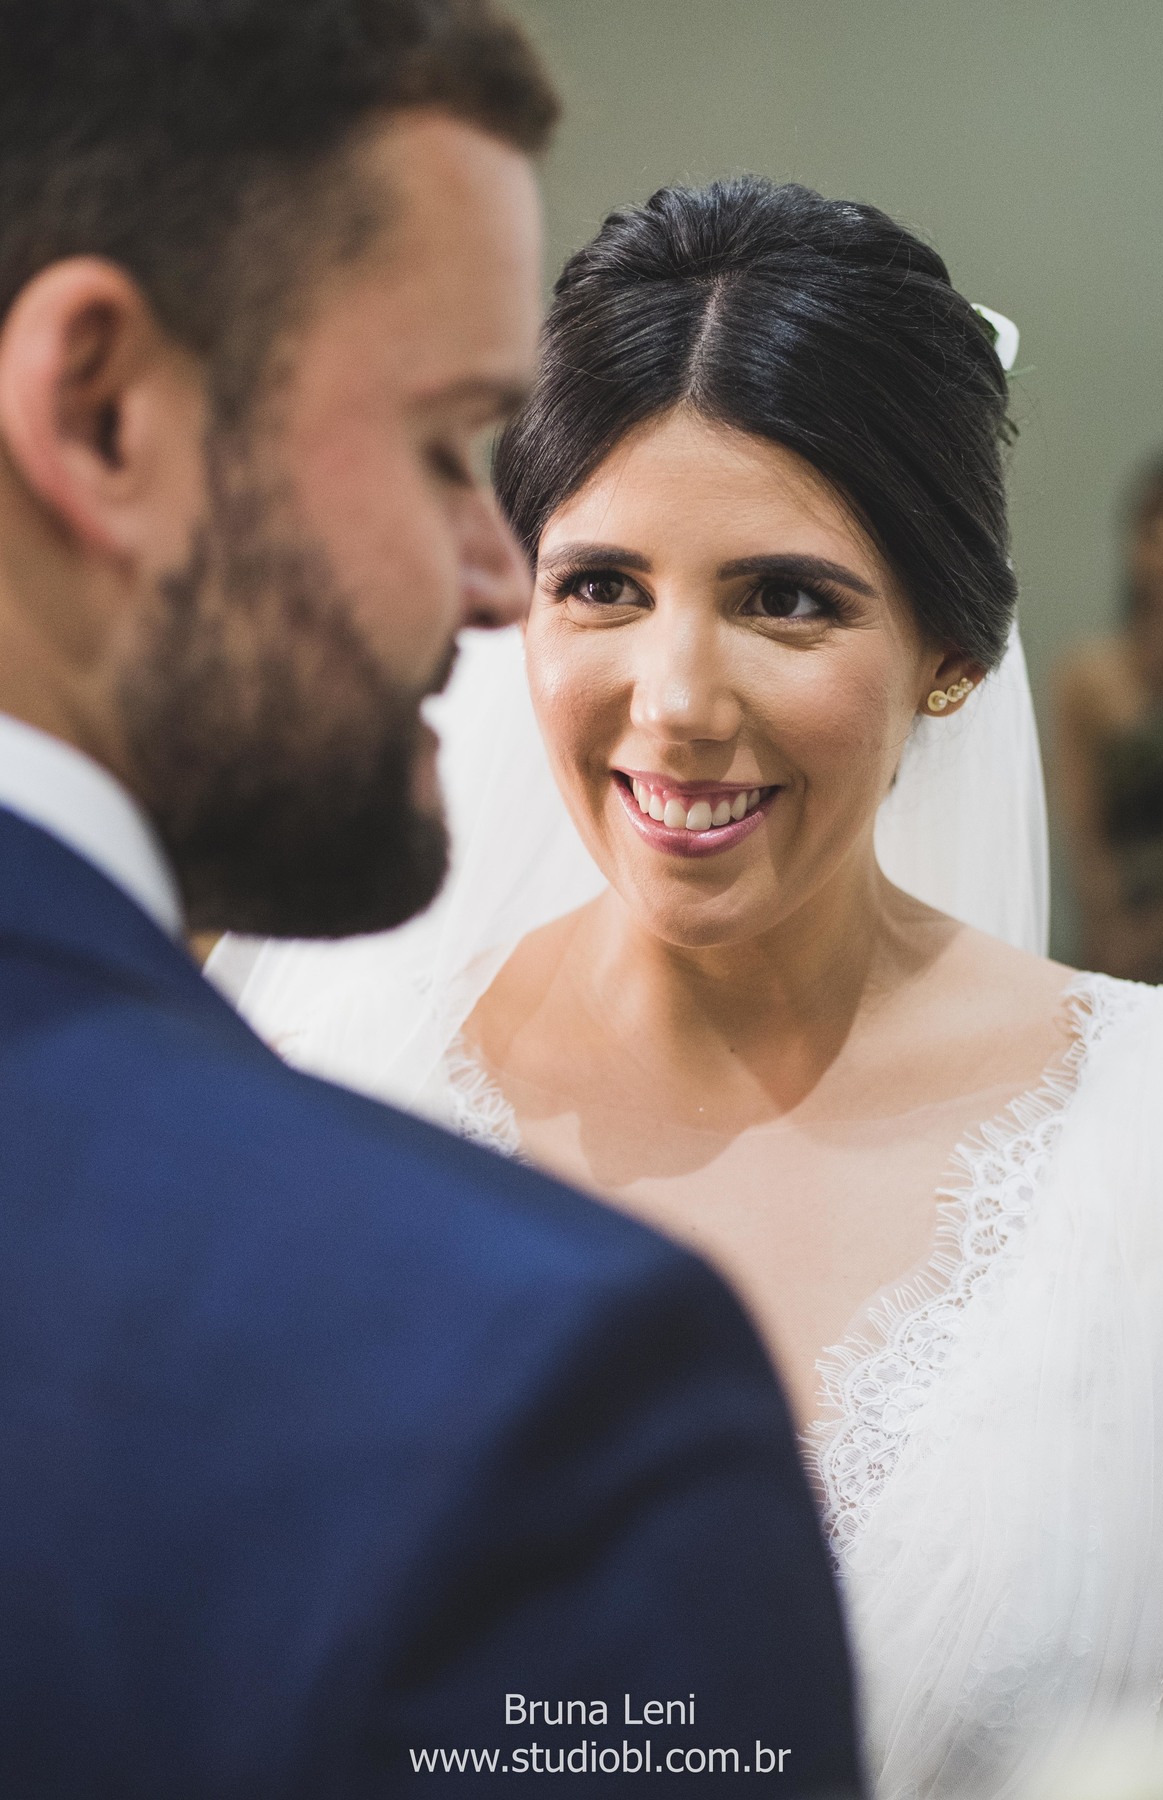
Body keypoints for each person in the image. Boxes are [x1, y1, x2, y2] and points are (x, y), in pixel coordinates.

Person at [217, 178, 1163, 1800]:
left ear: (954, 651)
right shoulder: (321, 1088)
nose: (674, 707)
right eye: (601, 584)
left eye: (786, 599)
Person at [0, 9, 864, 1795]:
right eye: (442, 445)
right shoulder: (531, 1388)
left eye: (786, 598)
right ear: (99, 411)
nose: (498, 583)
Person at [1054, 455, 1163, 986]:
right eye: (1159, 530)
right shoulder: (1089, 683)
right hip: (1125, 945)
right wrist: (1115, 937)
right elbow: (1086, 842)